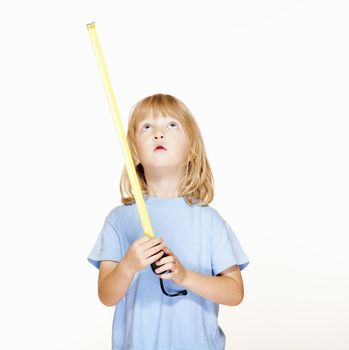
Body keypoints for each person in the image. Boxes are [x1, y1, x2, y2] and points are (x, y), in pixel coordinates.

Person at [87, 93, 250, 350]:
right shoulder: (119, 220)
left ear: (191, 150)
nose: (158, 133)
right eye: (147, 127)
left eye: (171, 125)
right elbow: (107, 296)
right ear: (134, 154)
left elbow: (234, 293)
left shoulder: (209, 221)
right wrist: (128, 266)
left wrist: (184, 276)